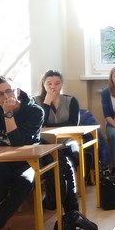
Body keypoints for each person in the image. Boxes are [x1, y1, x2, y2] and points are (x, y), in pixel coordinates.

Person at [0, 76, 44, 230]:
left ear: (17, 91)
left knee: (23, 182)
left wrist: (7, 113)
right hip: (4, 160)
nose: (5, 97)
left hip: (29, 161)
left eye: (9, 91)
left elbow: (18, 142)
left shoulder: (35, 111)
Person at [33, 70, 80, 212]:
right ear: (43, 84)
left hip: (68, 140)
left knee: (71, 159)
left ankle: (58, 199)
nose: (53, 87)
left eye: (57, 83)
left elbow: (73, 124)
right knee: (56, 166)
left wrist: (50, 126)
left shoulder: (71, 100)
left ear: (62, 84)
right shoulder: (35, 102)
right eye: (49, 84)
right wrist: (47, 103)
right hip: (45, 143)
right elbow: (39, 125)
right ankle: (60, 201)